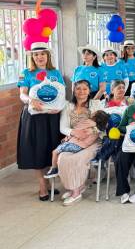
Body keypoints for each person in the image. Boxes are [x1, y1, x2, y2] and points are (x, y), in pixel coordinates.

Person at [17, 42, 65, 201]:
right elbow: (22, 95)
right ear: (32, 57)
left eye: (43, 54)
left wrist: (60, 107)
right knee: (37, 150)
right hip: (34, 117)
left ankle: (50, 183)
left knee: (50, 149)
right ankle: (42, 187)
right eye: (36, 54)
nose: (39, 57)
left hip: (52, 116)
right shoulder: (25, 73)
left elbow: (61, 93)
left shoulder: (55, 73)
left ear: (48, 56)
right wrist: (31, 100)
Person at [49, 81, 104, 205]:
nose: (81, 92)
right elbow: (63, 127)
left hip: (93, 141)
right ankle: (76, 186)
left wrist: (91, 130)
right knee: (62, 157)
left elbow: (103, 124)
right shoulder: (68, 106)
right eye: (78, 89)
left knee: (76, 159)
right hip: (74, 139)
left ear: (89, 91)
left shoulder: (96, 104)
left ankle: (76, 192)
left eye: (85, 89)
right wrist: (74, 132)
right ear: (74, 91)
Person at [46, 109, 108, 204]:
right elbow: (73, 130)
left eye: (93, 114)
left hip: (80, 143)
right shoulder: (95, 126)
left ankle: (75, 192)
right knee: (63, 158)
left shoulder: (89, 122)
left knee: (72, 159)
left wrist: (73, 134)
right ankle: (75, 188)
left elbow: (80, 129)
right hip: (79, 143)